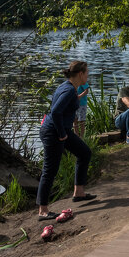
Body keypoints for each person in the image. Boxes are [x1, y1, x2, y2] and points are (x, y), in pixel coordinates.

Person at [37, 60, 96, 220]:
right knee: (50, 170)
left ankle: (79, 193)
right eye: (87, 73)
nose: (88, 75)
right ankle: (43, 210)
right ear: (80, 74)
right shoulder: (69, 90)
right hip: (54, 132)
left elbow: (62, 107)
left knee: (84, 153)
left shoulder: (67, 87)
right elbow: (55, 112)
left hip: (61, 130)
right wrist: (63, 134)